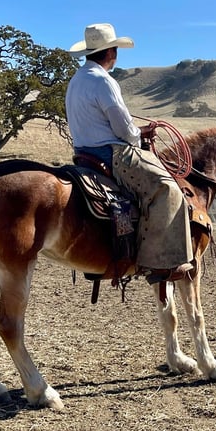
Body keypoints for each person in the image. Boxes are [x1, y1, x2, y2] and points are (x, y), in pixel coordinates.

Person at [65, 23, 193, 284]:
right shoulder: (104, 81)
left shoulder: (76, 80)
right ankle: (160, 263)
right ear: (111, 52)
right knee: (168, 189)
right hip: (113, 154)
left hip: (83, 153)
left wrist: (135, 131)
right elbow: (124, 129)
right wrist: (140, 134)